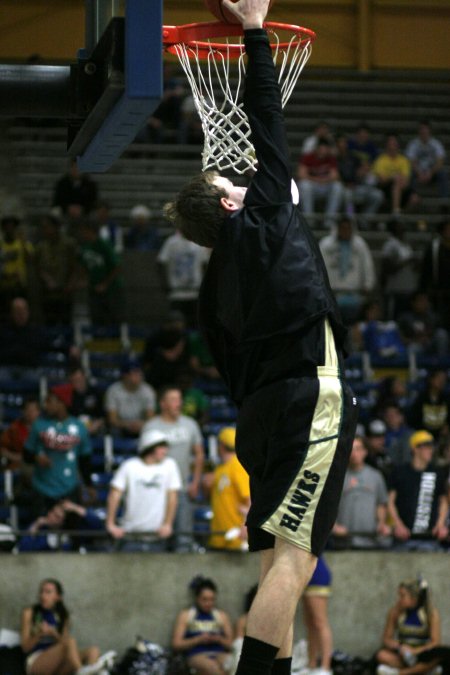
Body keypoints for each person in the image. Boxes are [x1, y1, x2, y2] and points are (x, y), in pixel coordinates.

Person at [164, 1, 358, 672]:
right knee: (295, 563)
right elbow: (268, 120)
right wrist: (253, 30)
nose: (240, 178)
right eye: (229, 180)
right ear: (226, 202)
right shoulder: (267, 212)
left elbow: (225, 365)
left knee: (282, 561)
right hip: (311, 398)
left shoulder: (213, 286)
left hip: (260, 416)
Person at [142, 386, 204, 552]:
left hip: (182, 488)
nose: (179, 403)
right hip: (157, 490)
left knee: (184, 536)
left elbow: (199, 454)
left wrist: (196, 482)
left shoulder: (190, 424)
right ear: (163, 404)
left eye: (179, 399)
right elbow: (144, 458)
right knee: (157, 536)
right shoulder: (151, 426)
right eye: (173, 400)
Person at [24, 386, 95, 518]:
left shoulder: (79, 427)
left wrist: (89, 485)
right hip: (42, 488)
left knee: (72, 533)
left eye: (50, 402)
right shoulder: (39, 425)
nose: (46, 406)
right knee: (41, 532)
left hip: (69, 488)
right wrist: (36, 458)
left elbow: (84, 459)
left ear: (62, 403)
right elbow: (26, 455)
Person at [106, 428, 181, 551]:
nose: (165, 451)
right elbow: (114, 495)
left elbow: (173, 497)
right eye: (161, 447)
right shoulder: (129, 466)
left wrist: (168, 524)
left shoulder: (170, 465)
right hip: (129, 535)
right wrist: (110, 524)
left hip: (156, 535)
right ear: (150, 448)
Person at [20, 578, 115, 675]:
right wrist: (40, 634)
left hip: (59, 662)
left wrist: (54, 634)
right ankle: (82, 671)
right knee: (70, 641)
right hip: (36, 661)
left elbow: (65, 645)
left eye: (48, 592)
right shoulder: (30, 612)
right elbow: (25, 648)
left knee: (93, 651)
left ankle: (88, 671)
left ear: (57, 597)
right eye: (41, 591)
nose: (42, 595)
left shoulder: (63, 616)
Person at [387, 430, 449, 550]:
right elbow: (390, 501)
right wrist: (398, 525)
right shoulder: (399, 472)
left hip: (429, 539)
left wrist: (440, 524)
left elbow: (443, 501)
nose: (431, 450)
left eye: (431, 447)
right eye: (427, 447)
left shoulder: (437, 472)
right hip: (403, 538)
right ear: (415, 449)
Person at [332, 436, 391, 549]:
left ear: (365, 452)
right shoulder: (337, 477)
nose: (354, 453)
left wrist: (381, 523)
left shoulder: (375, 476)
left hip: (370, 539)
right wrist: (334, 527)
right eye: (351, 449)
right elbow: (328, 506)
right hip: (343, 540)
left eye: (358, 449)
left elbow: (381, 503)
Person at [376, 578, 442, 675]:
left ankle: (401, 673)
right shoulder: (395, 611)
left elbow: (435, 642)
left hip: (422, 652)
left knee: (440, 655)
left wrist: (416, 651)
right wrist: (401, 647)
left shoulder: (431, 613)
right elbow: (386, 639)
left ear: (414, 598)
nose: (399, 599)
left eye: (402, 596)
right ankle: (421, 670)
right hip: (403, 653)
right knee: (381, 655)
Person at [319, 217, 377, 324]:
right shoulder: (326, 245)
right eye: (343, 228)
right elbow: (320, 267)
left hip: (355, 293)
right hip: (333, 294)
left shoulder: (360, 245)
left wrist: (368, 284)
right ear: (337, 229)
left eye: (348, 228)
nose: (345, 231)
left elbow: (367, 265)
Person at [171, 576, 233, 675]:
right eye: (204, 599)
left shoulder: (221, 615)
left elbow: (231, 644)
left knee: (233, 664)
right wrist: (198, 639)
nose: (208, 603)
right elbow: (176, 644)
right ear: (197, 598)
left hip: (218, 652)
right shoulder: (186, 615)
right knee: (213, 668)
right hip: (196, 654)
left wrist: (218, 639)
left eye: (212, 599)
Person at [203, 426, 250, 551]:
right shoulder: (220, 469)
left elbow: (249, 498)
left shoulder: (237, 465)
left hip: (234, 535)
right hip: (220, 535)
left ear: (221, 445)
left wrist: (246, 526)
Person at [157, 228, 210, 327]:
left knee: (195, 324)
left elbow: (205, 265)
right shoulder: (171, 242)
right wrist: (164, 283)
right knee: (176, 325)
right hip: (177, 292)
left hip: (194, 292)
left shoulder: (199, 242)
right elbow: (160, 263)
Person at [78, 220, 124, 326]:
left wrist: (104, 284)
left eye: (83, 231)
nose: (81, 234)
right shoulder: (85, 246)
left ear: (90, 231)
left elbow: (117, 266)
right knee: (96, 317)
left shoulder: (104, 244)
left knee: (113, 318)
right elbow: (83, 266)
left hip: (111, 288)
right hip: (94, 287)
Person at [35, 213, 78, 325]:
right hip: (48, 293)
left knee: (66, 322)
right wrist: (47, 279)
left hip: (65, 293)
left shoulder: (69, 244)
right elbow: (38, 267)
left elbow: (75, 266)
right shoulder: (41, 246)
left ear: (55, 227)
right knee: (49, 322)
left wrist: (70, 284)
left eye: (47, 227)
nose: (45, 230)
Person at [336, 133, 383, 227]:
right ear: (336, 145)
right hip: (343, 188)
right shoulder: (334, 159)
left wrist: (363, 171)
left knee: (377, 195)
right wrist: (345, 184)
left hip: (357, 187)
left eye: (344, 142)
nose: (342, 145)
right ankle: (351, 220)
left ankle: (364, 220)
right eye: (340, 143)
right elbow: (335, 176)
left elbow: (362, 170)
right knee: (347, 195)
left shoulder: (354, 157)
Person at [297, 138, 344, 227]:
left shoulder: (331, 158)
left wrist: (323, 180)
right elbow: (301, 174)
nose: (323, 151)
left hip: (325, 186)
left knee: (338, 186)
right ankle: (309, 219)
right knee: (304, 185)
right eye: (321, 149)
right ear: (316, 148)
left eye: (325, 149)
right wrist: (318, 180)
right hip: (313, 186)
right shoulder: (308, 157)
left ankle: (329, 220)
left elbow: (335, 176)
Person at [105, 357, 156, 437]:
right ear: (125, 375)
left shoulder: (148, 390)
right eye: (134, 373)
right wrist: (127, 425)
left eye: (139, 373)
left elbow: (151, 418)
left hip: (142, 426)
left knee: (152, 430)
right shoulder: (113, 391)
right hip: (121, 427)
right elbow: (112, 420)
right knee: (113, 431)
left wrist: (141, 425)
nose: (138, 376)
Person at [380, 219, 418, 319]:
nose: (403, 228)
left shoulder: (406, 244)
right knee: (395, 318)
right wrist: (405, 262)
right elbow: (387, 267)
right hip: (396, 290)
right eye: (400, 226)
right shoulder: (390, 245)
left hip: (408, 289)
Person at [302, 557, 334, 675]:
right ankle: (312, 664)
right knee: (310, 623)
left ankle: (326, 667)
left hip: (317, 575)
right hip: (304, 575)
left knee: (320, 622)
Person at [418, 218, 450, 331]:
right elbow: (426, 271)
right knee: (439, 321)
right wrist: (423, 291)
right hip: (438, 292)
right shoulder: (434, 248)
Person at [0, 215, 34, 317]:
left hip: (19, 285)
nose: (9, 229)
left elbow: (30, 259)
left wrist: (23, 242)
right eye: (7, 227)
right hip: (3, 285)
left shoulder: (22, 244)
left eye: (12, 227)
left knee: (19, 313)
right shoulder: (1, 245)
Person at [372, 135, 415, 214]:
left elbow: (406, 179)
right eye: (390, 144)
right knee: (396, 183)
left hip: (402, 187)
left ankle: (402, 214)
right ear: (386, 145)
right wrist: (393, 177)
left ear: (398, 145)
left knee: (415, 199)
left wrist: (398, 179)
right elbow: (382, 179)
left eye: (394, 144)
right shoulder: (381, 160)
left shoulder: (403, 160)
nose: (392, 146)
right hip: (386, 188)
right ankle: (396, 211)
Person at [406, 121, 449, 199]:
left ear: (429, 131)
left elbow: (440, 161)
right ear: (419, 131)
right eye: (421, 129)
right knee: (408, 173)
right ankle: (410, 199)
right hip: (417, 172)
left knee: (442, 174)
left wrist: (431, 173)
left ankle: (444, 202)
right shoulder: (413, 144)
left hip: (432, 172)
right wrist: (419, 173)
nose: (423, 131)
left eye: (425, 129)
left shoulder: (436, 144)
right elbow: (411, 161)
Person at [407, 370, 449, 444]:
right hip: (425, 437)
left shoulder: (447, 399)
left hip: (443, 438)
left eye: (443, 379)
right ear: (431, 380)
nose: (442, 381)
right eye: (439, 378)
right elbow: (413, 420)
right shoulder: (421, 399)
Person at [0, 397, 40, 472]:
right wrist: (12, 456)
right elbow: (2, 448)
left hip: (40, 466)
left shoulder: (46, 428)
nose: (29, 413)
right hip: (18, 467)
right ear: (22, 411)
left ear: (39, 412)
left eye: (33, 410)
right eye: (27, 410)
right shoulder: (14, 428)